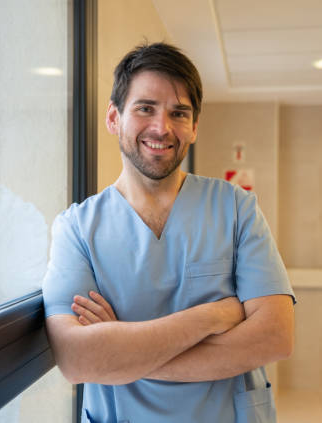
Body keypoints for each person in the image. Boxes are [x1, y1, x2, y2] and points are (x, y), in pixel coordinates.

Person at [42, 42, 295, 423]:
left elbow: (275, 336)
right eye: (145, 108)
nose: (162, 127)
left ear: (193, 127)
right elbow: (78, 359)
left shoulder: (236, 209)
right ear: (114, 118)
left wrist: (122, 351)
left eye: (179, 113)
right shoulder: (76, 229)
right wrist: (212, 317)